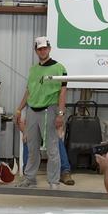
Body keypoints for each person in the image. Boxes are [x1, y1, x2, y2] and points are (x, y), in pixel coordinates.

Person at [14, 37, 67, 189]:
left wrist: (60, 114)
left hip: (49, 110)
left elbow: (63, 93)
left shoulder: (60, 68)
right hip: (32, 111)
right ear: (36, 50)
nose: (42, 51)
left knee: (52, 148)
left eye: (45, 48)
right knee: (31, 148)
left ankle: (53, 181)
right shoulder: (33, 69)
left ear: (49, 49)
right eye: (39, 49)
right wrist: (19, 109)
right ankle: (29, 178)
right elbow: (29, 91)